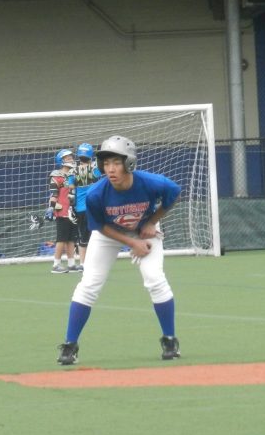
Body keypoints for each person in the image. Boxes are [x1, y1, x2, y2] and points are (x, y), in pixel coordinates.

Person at [56, 135, 181, 366]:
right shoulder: (96, 194)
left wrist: (152, 222)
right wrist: (132, 243)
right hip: (109, 234)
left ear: (129, 163)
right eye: (106, 163)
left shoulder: (151, 183)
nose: (110, 168)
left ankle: (170, 340)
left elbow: (174, 193)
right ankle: (69, 345)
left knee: (154, 278)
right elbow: (99, 227)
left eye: (116, 162)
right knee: (90, 283)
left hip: (144, 229)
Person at [72, 142, 102, 271]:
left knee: (83, 237)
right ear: (90, 156)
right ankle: (96, 263)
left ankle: (83, 263)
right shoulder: (94, 169)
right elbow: (99, 179)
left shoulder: (74, 171)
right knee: (97, 235)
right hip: (93, 207)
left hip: (80, 208)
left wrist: (70, 206)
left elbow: (70, 187)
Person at [48, 148, 79, 273]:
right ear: (61, 161)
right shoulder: (56, 175)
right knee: (61, 239)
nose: (70, 159)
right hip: (62, 211)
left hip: (74, 210)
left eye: (71, 157)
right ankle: (56, 265)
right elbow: (54, 194)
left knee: (72, 239)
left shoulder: (75, 174)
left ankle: (71, 264)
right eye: (67, 158)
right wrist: (51, 208)